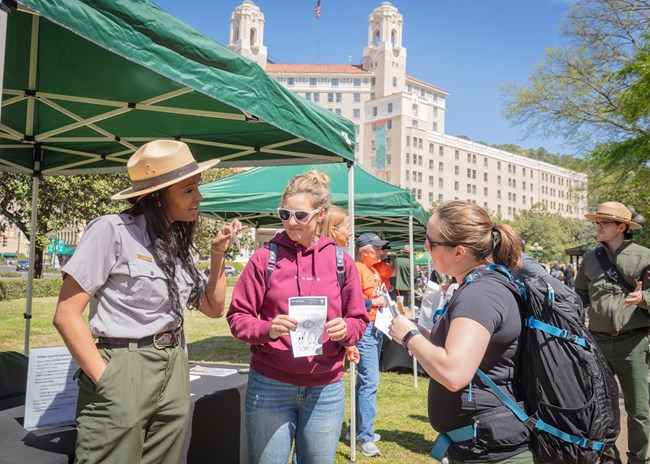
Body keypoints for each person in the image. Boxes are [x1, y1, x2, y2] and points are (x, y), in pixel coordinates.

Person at [53, 140, 241, 464]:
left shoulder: (174, 244)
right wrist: (107, 380)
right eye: (188, 190)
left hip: (174, 366)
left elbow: (212, 308)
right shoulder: (111, 231)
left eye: (197, 188)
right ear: (158, 196)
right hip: (123, 364)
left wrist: (218, 254)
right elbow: (66, 314)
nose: (199, 197)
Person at [227, 170, 368, 464]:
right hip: (270, 384)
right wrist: (268, 329)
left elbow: (358, 319)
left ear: (321, 215)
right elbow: (238, 317)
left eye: (300, 215)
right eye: (285, 214)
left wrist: (346, 329)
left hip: (325, 389)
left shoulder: (342, 262)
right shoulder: (264, 258)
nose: (291, 222)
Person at [389, 200, 538, 463]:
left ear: (459, 252)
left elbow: (454, 373)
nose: (425, 247)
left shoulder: (479, 295)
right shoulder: (481, 285)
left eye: (431, 242)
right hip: (479, 446)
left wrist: (409, 337)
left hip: (492, 453)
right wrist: (418, 332)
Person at [575, 202, 650, 464]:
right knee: (600, 407)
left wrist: (643, 297)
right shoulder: (590, 258)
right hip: (596, 343)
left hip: (632, 344)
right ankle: (609, 457)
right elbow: (580, 296)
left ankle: (639, 460)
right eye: (597, 222)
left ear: (621, 227)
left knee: (639, 411)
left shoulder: (645, 256)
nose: (598, 226)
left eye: (604, 223)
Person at [353, 232, 390, 457]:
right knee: (370, 383)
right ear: (364, 251)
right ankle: (364, 437)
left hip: (377, 328)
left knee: (365, 382)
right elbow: (350, 299)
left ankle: (358, 429)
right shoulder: (356, 269)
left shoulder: (375, 270)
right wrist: (373, 301)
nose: (381, 252)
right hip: (366, 329)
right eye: (377, 248)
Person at [322, 205, 359, 364]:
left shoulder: (343, 261)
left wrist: (346, 341)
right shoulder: (337, 262)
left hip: (329, 352)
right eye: (348, 228)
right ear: (333, 230)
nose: (351, 233)